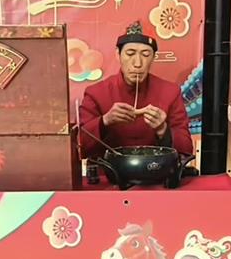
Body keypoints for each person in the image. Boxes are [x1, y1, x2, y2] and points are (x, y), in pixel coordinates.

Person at [78, 21, 193, 158]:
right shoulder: (96, 93)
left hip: (156, 168)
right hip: (109, 169)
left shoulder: (170, 92)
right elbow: (80, 147)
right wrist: (105, 121)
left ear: (153, 57)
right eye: (130, 53)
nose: (138, 63)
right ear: (118, 55)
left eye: (145, 55)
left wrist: (162, 129)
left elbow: (186, 150)